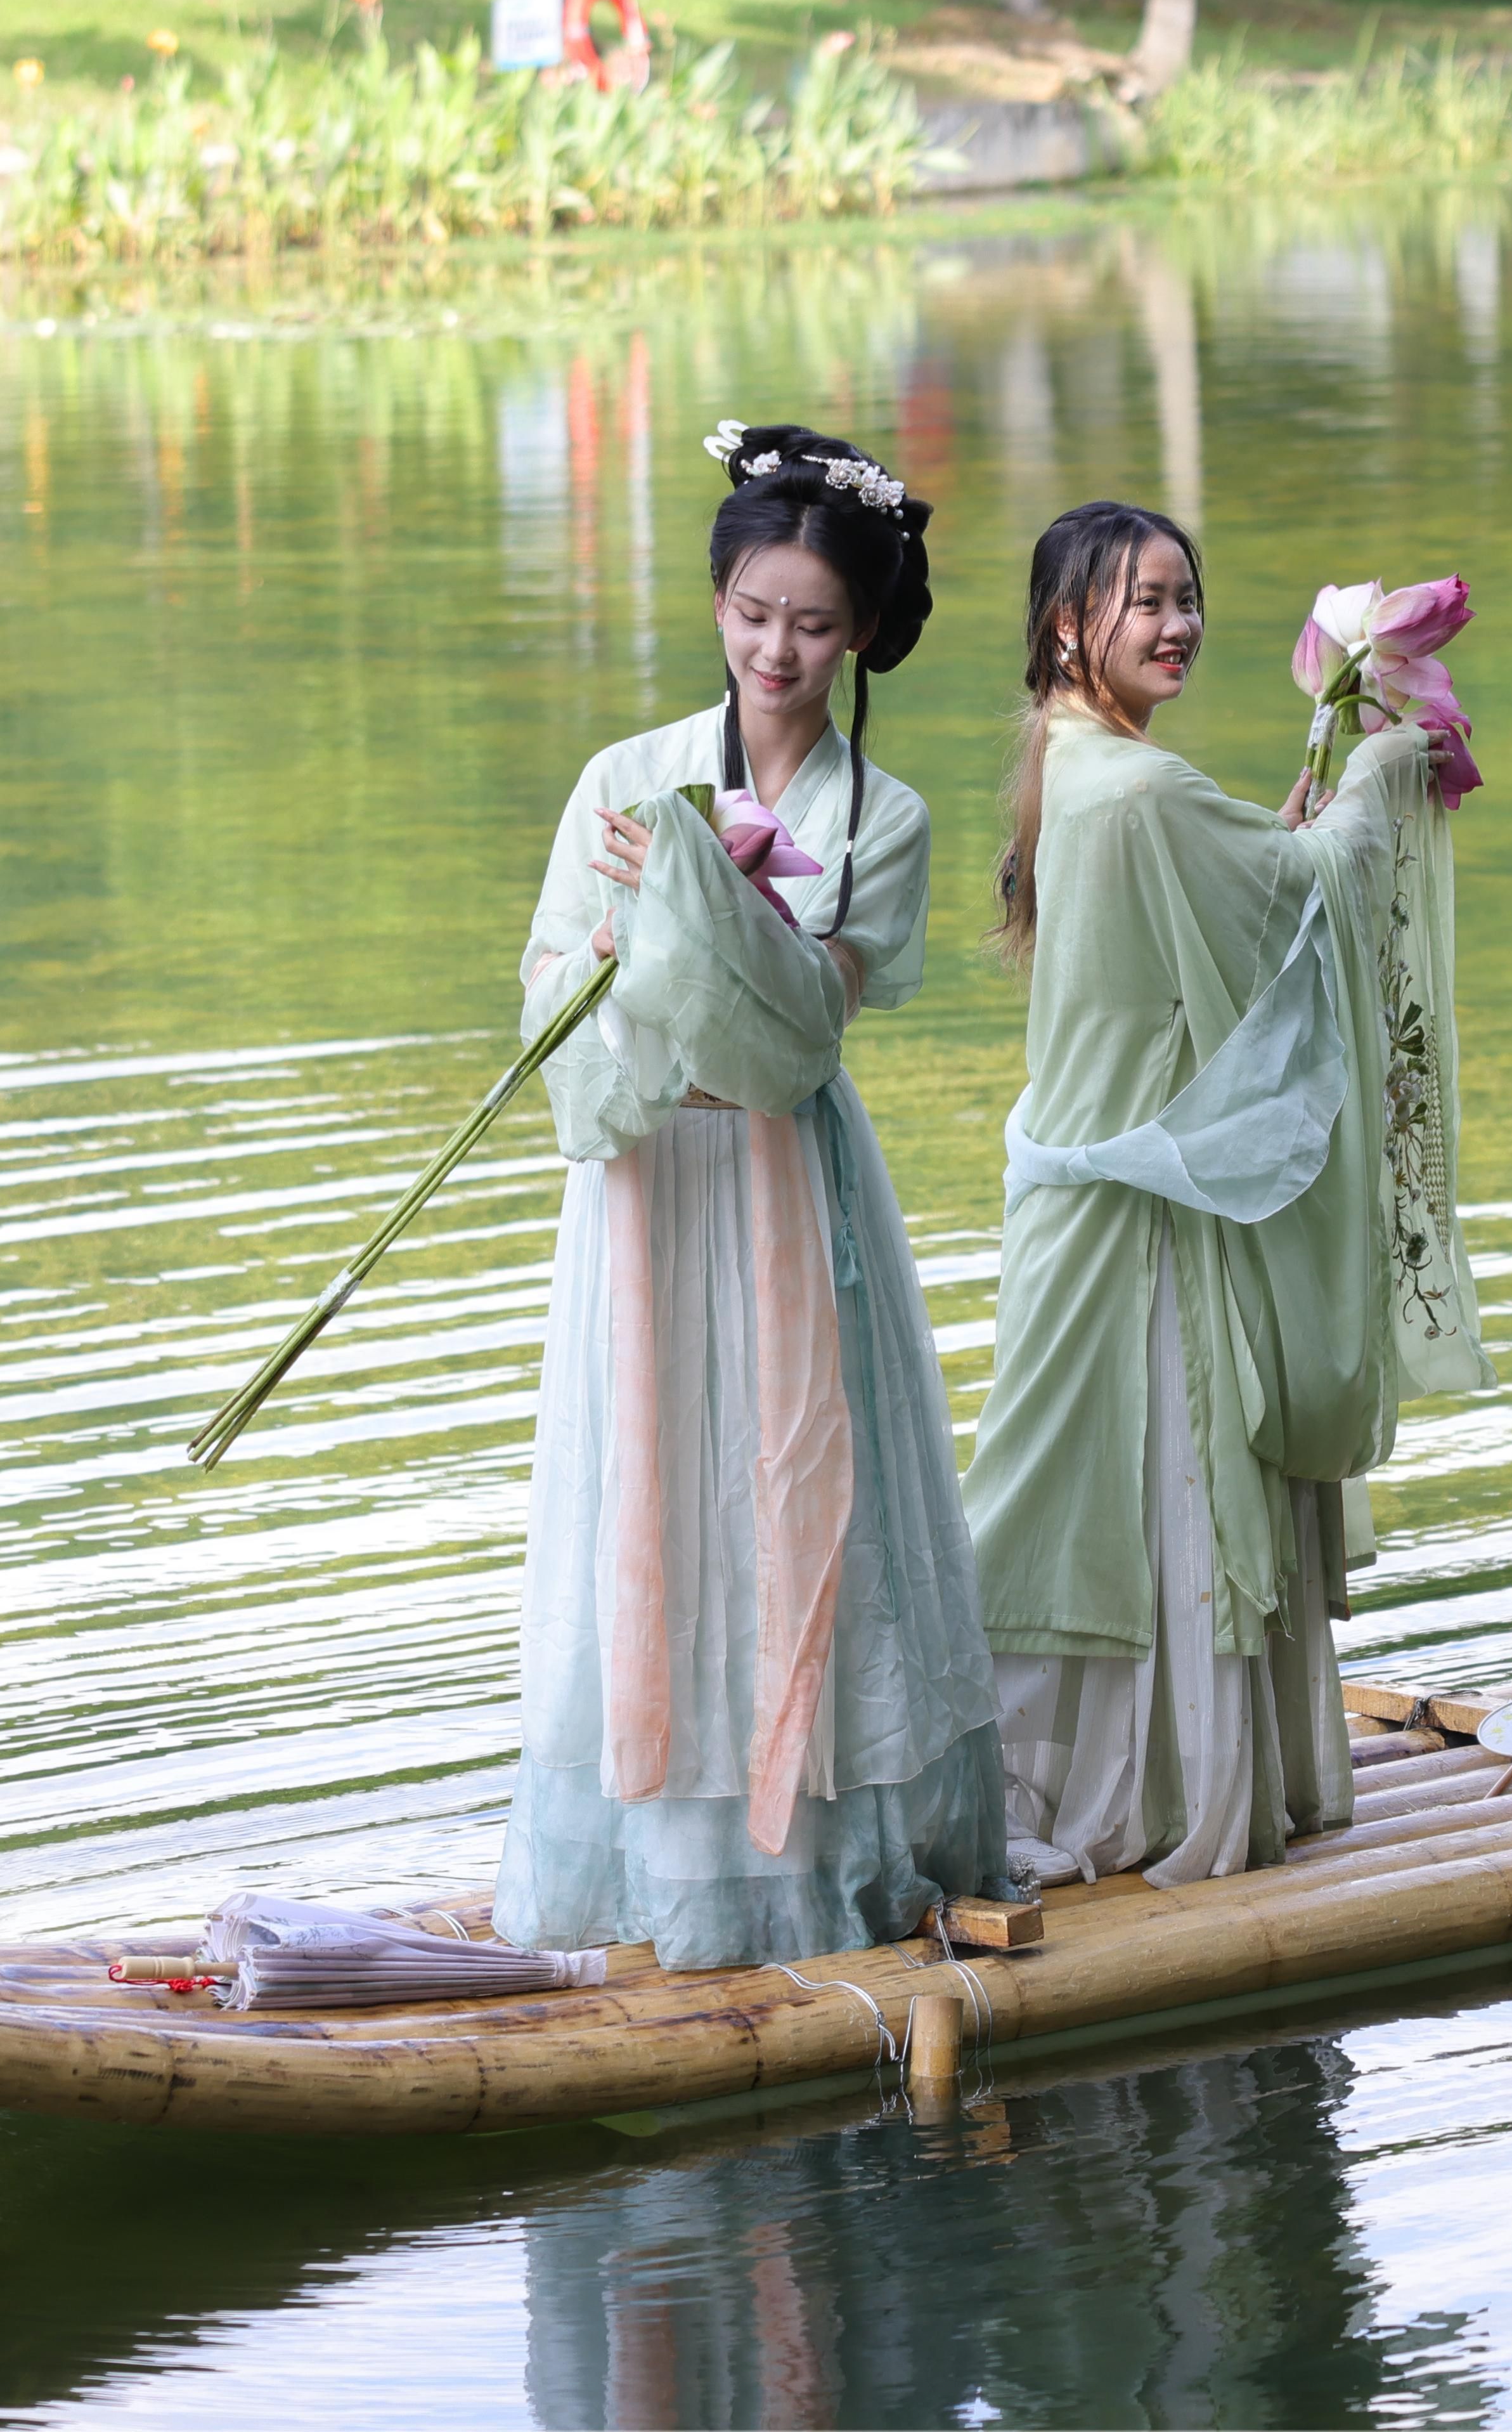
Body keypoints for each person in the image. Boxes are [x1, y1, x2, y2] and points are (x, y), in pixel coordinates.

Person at [491, 421, 1008, 1967]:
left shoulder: (882, 817)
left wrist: (698, 898)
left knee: (793, 1491)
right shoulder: (626, 775)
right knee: (655, 1489)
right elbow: (549, 981)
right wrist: (625, 939)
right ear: (717, 602)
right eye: (754, 612)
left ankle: (821, 1858)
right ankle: (654, 1861)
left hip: (784, 1178)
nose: (779, 648)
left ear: (859, 637)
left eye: (815, 622)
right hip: (651, 1174)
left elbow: (798, 1033)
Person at [962, 504, 1486, 1887]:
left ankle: (1101, 1775)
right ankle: (1166, 1794)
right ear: (1070, 624)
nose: (1177, 624)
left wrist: (1294, 821)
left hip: (1080, 1197)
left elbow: (1244, 903)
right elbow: (1302, 890)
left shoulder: (1073, 764)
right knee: (1162, 1488)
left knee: (1092, 1499)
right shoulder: (1134, 788)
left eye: (1187, 595)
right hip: (1140, 1223)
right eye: (1144, 601)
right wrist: (1378, 769)